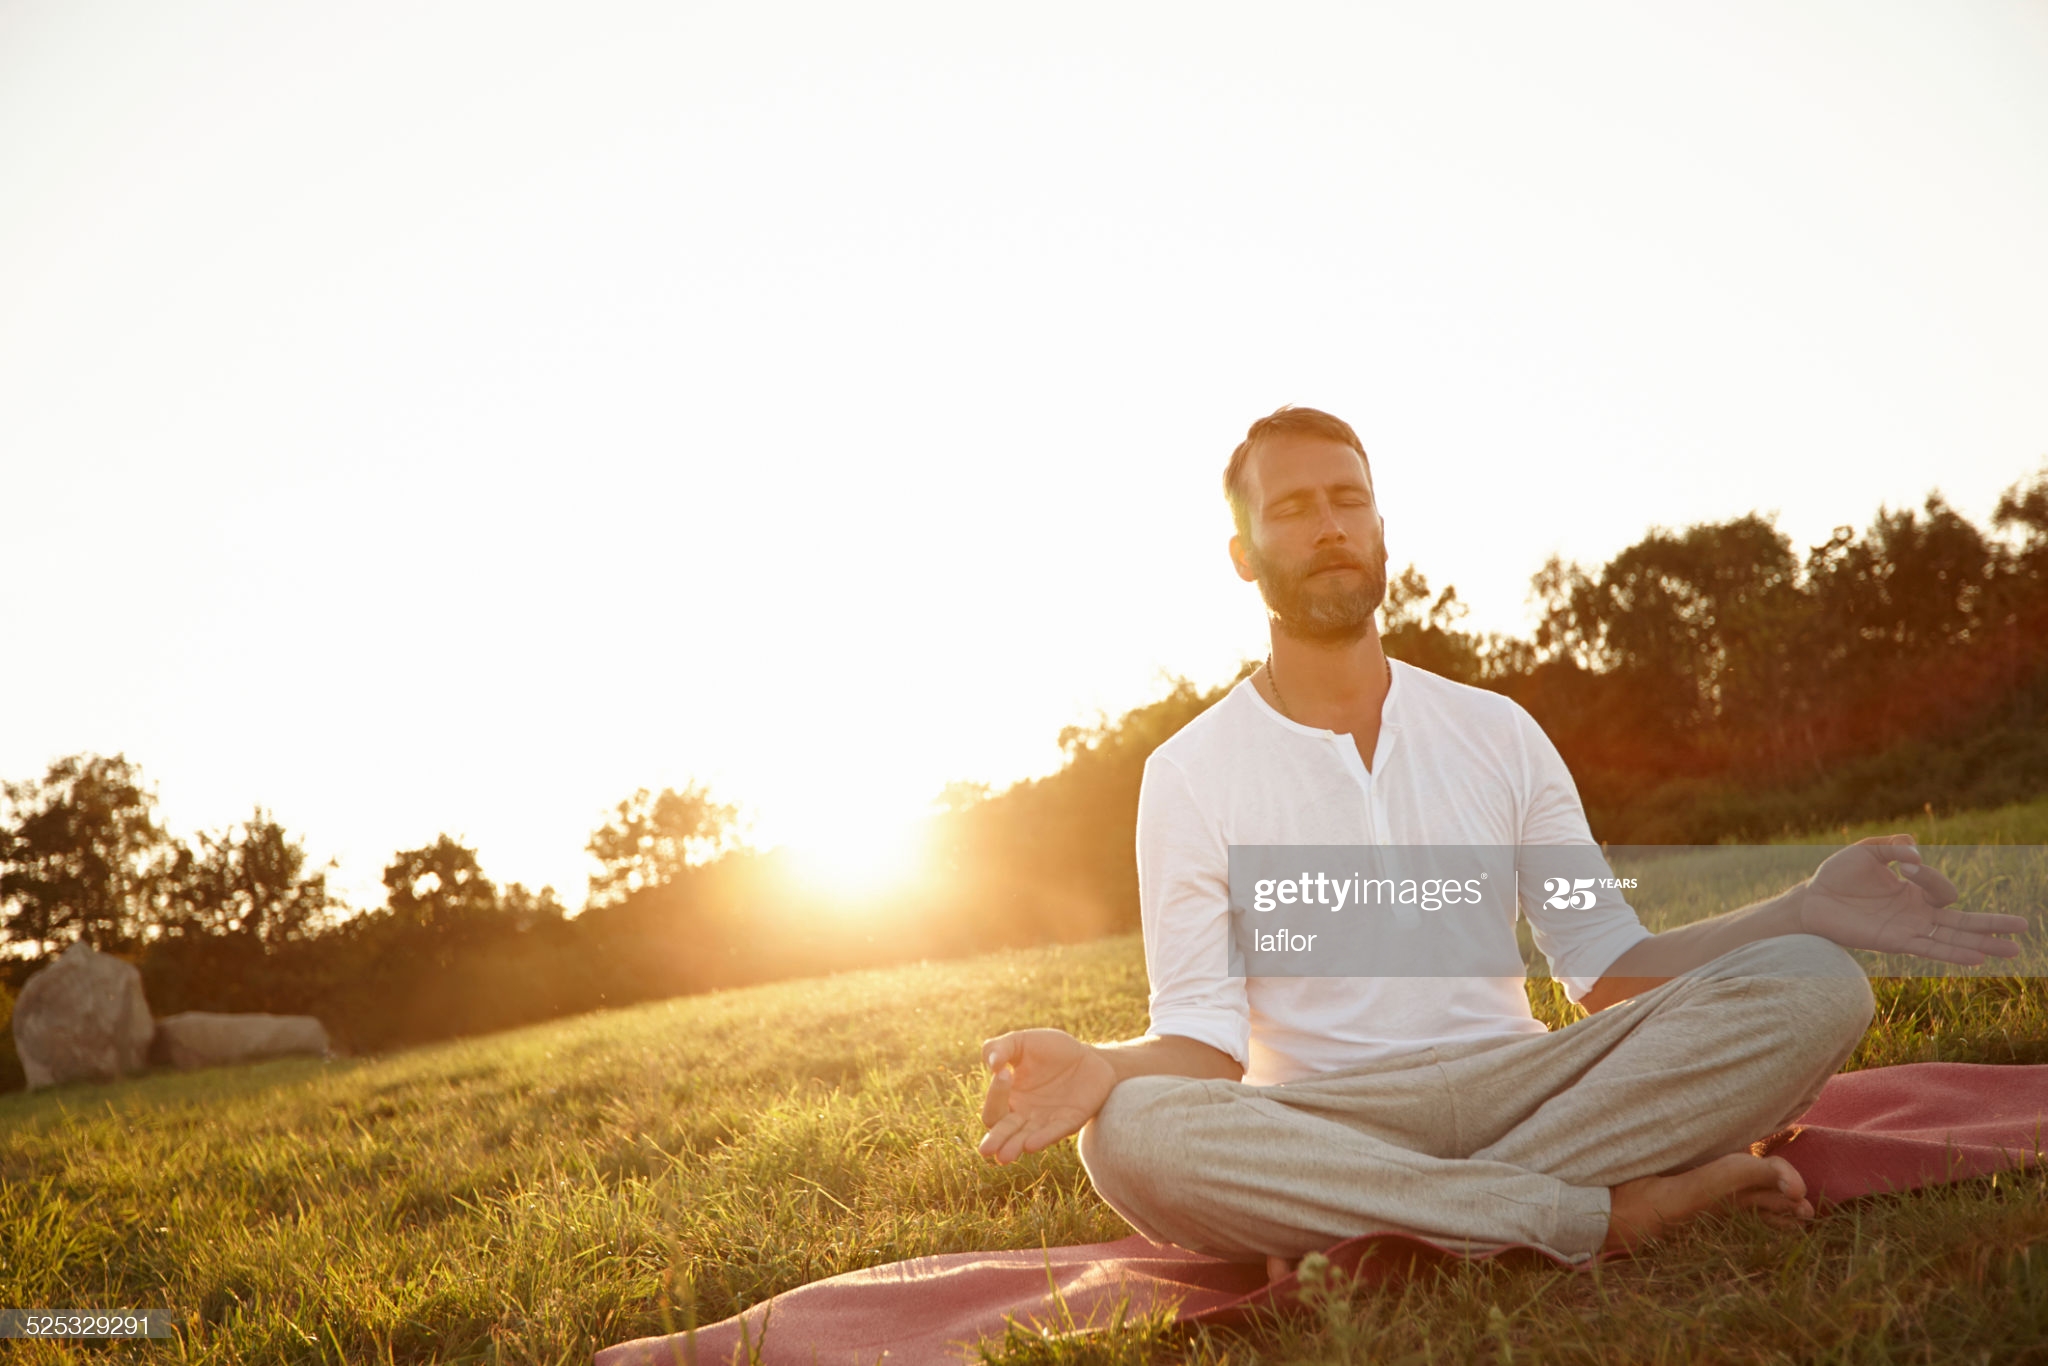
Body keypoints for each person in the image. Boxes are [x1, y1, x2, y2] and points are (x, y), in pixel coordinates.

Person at [975, 405, 2026, 1270]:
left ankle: (1432, 1215)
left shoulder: (1495, 732)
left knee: (1813, 978)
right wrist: (1104, 1066)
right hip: (1330, 1122)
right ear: (1244, 555)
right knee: (1131, 1137)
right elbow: (1201, 1046)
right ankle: (1603, 1215)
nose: (1328, 525)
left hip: (1537, 1084)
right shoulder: (1189, 774)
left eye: (1348, 499)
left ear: (1382, 530)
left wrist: (1802, 907)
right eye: (1291, 509)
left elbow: (1606, 967)